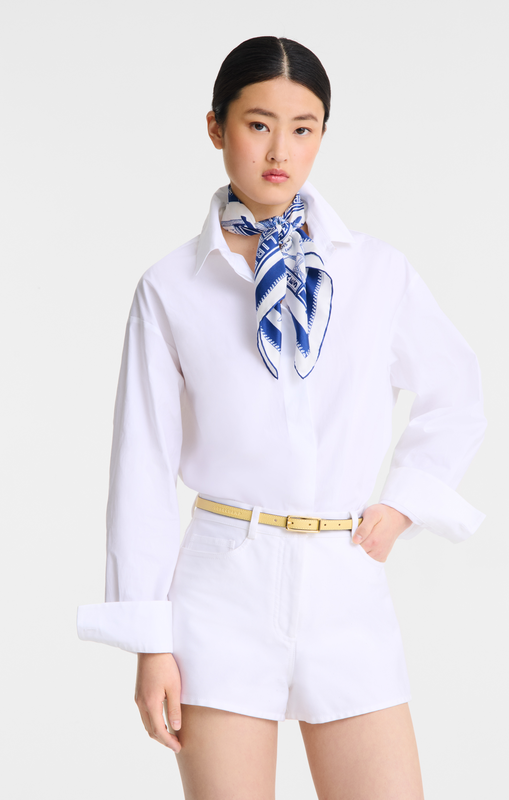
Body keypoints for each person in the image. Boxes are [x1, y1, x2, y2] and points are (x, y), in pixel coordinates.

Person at [77, 35, 486, 800]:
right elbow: (141, 466)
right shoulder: (172, 288)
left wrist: (404, 504)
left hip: (343, 578)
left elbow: (456, 391)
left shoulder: (375, 272)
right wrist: (150, 641)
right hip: (222, 584)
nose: (280, 151)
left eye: (304, 128)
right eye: (258, 124)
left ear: (323, 134)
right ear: (216, 127)